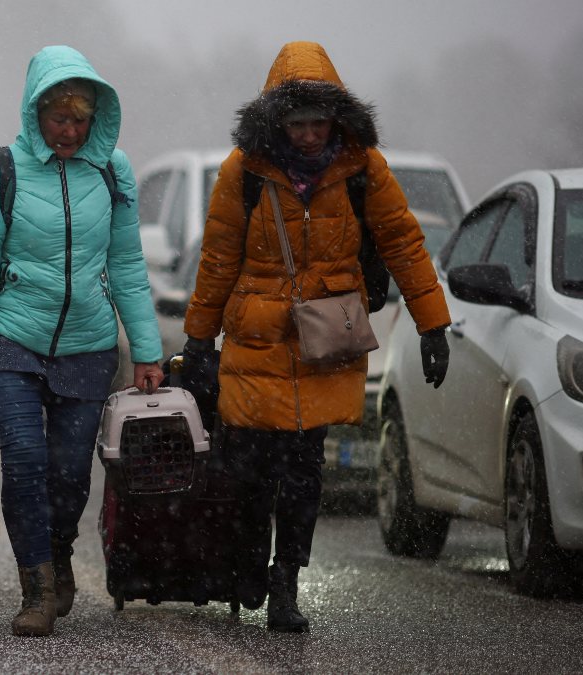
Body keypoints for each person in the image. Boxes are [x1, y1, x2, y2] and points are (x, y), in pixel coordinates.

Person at [180, 41, 451, 633]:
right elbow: (219, 258)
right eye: (296, 123)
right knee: (250, 470)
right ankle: (250, 560)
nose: (307, 136)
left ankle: (285, 582)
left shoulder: (363, 169)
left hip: (325, 341)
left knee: (304, 470)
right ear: (276, 121)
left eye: (317, 123)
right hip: (254, 341)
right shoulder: (243, 172)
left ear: (336, 119)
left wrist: (433, 323)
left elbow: (404, 242)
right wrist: (199, 340)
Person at [0, 46, 164, 637]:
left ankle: (58, 550)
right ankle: (36, 586)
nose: (68, 131)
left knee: (69, 473)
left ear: (96, 120)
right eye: (57, 117)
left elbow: (128, 264)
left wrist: (146, 351)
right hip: (13, 338)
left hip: (89, 344)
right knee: (24, 458)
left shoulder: (114, 172)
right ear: (34, 112)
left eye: (79, 120)